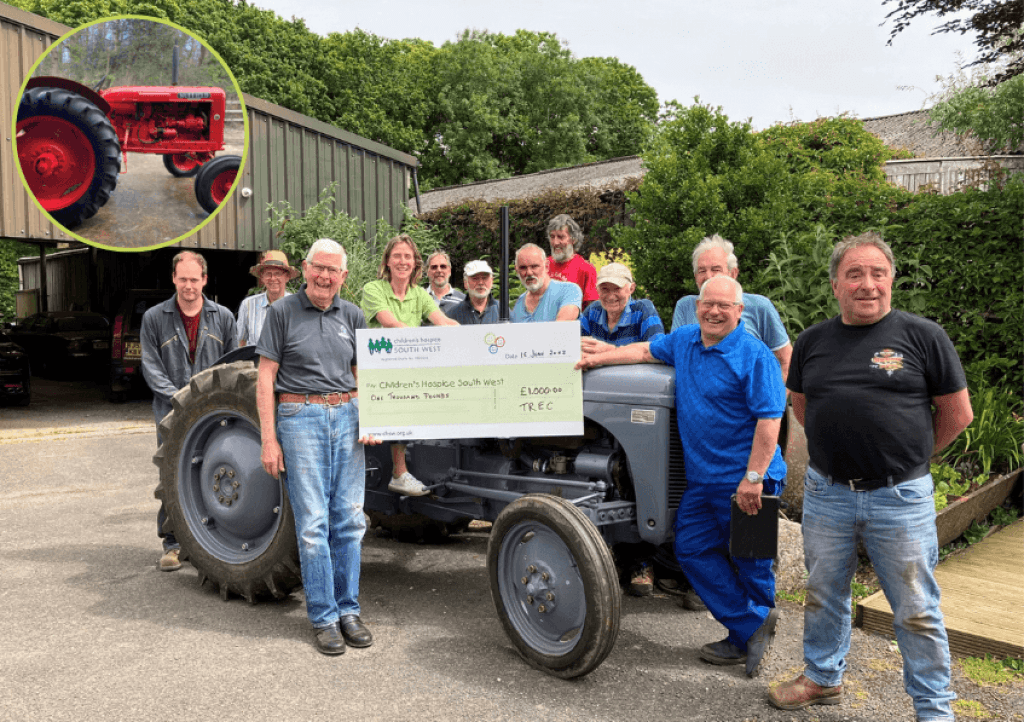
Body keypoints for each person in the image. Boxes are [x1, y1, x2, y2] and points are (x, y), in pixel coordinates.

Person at [769, 233, 973, 720]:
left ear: (891, 280)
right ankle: (822, 678)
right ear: (836, 284)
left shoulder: (923, 336)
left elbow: (957, 414)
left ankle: (934, 708)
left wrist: (909, 459)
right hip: (828, 492)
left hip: (899, 497)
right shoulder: (814, 341)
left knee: (916, 608)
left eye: (877, 274)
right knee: (824, 593)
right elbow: (801, 405)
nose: (867, 285)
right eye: (854, 275)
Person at [577, 274, 787, 678]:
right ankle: (751, 625)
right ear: (698, 306)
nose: (714, 311)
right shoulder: (687, 340)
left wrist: (754, 478)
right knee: (689, 548)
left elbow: (769, 421)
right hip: (703, 481)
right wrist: (601, 357)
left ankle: (747, 636)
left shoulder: (754, 356)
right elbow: (642, 350)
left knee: (753, 559)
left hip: (749, 481)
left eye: (724, 306)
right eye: (708, 303)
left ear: (739, 311)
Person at [256, 238, 378, 656]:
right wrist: (269, 439)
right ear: (305, 269)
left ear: (344, 276)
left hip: (346, 418)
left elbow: (364, 374)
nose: (325, 277)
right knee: (312, 525)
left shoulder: (354, 315)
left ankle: (348, 610)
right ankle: (324, 617)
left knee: (349, 519)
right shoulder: (281, 313)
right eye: (318, 268)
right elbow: (265, 379)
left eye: (333, 271)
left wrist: (372, 417)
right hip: (300, 418)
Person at [141, 251, 236, 572]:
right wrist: (180, 399)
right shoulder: (155, 317)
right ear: (173, 279)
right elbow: (151, 367)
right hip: (170, 414)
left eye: (194, 279)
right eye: (183, 279)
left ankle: (207, 540)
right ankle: (172, 544)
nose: (188, 286)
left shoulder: (223, 317)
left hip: (212, 414)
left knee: (210, 471)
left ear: (204, 280)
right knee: (172, 475)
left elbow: (234, 365)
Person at [579, 261, 665, 595]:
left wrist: (608, 353)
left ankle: (642, 562)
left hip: (635, 413)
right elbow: (569, 346)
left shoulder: (644, 311)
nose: (611, 294)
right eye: (605, 288)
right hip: (598, 412)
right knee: (599, 481)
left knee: (635, 478)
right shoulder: (590, 315)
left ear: (630, 288)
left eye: (617, 287)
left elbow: (657, 352)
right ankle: (610, 556)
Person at [362, 234, 459, 497]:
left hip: (409, 367)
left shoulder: (419, 294)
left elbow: (442, 321)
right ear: (388, 261)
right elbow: (391, 324)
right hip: (376, 371)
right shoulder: (373, 289)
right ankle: (399, 472)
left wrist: (468, 337)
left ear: (415, 263)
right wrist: (422, 341)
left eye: (407, 256)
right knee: (402, 393)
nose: (402, 261)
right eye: (397, 256)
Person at [671, 234, 791, 384]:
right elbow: (675, 356)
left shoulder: (760, 307)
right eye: (701, 271)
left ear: (733, 273)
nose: (708, 276)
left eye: (716, 269)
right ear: (695, 276)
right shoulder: (685, 306)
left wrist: (777, 398)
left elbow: (787, 361)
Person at [236, 250, 299, 347]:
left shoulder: (297, 306)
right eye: (268, 274)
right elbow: (240, 343)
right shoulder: (248, 305)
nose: (273, 278)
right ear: (262, 277)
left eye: (278, 274)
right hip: (256, 361)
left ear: (287, 277)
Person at [510, 244, 582, 323]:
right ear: (517, 271)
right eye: (523, 268)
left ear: (547, 266)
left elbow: (562, 327)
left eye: (534, 266)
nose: (529, 273)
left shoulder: (569, 291)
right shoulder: (519, 304)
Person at [546, 214, 599, 308]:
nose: (555, 242)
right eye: (552, 237)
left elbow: (592, 309)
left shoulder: (586, 269)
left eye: (560, 237)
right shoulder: (542, 265)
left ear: (573, 239)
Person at [445, 260, 499, 325]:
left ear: (492, 282)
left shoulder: (503, 311)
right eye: (475, 278)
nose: (480, 283)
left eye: (484, 278)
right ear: (465, 283)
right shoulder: (452, 315)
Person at [424, 250, 465, 315]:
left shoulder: (463, 301)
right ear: (427, 272)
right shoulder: (418, 299)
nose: (439, 270)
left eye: (443, 266)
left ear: (449, 271)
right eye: (434, 267)